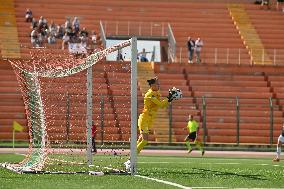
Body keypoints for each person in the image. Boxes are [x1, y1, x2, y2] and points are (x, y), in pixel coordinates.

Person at [136, 77, 175, 154]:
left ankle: (132, 156)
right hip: (144, 118)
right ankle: (132, 156)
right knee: (145, 140)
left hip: (149, 119)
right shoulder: (150, 94)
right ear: (152, 85)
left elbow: (163, 105)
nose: (158, 86)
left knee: (141, 139)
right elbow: (160, 104)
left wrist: (170, 98)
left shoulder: (156, 93)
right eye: (157, 84)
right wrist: (169, 97)